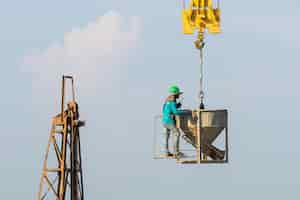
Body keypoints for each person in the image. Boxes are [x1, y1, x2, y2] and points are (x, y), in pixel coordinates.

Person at [162, 85, 185, 158]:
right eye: (178, 94)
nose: (179, 95)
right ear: (175, 94)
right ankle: (176, 152)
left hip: (164, 120)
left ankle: (166, 152)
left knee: (166, 136)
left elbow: (165, 109)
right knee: (177, 133)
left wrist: (177, 106)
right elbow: (175, 112)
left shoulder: (167, 100)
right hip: (169, 120)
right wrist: (186, 112)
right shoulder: (172, 101)